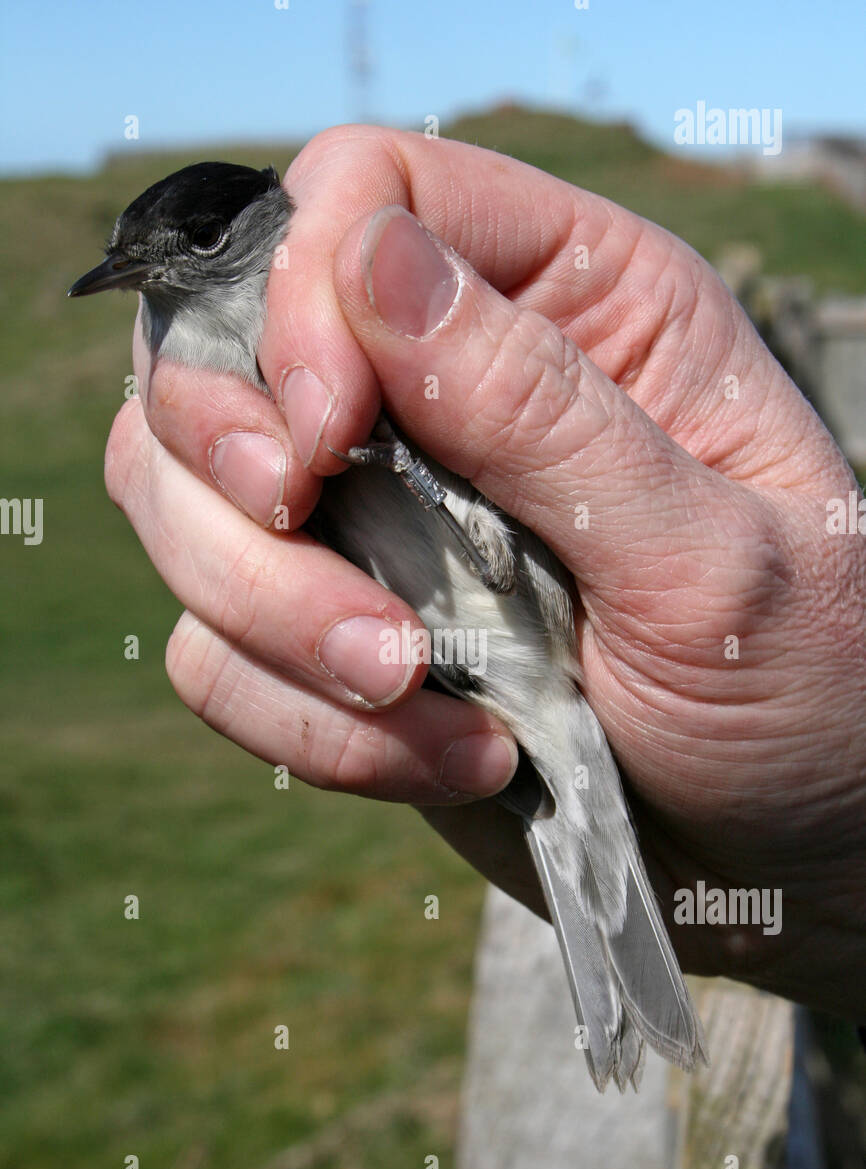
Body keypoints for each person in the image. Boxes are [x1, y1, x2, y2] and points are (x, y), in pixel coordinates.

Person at [104, 124, 866, 1021]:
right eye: (128, 263)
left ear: (271, 219)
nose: (160, 276)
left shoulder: (332, 279)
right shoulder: (187, 347)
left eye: (201, 244)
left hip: (537, 615)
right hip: (479, 680)